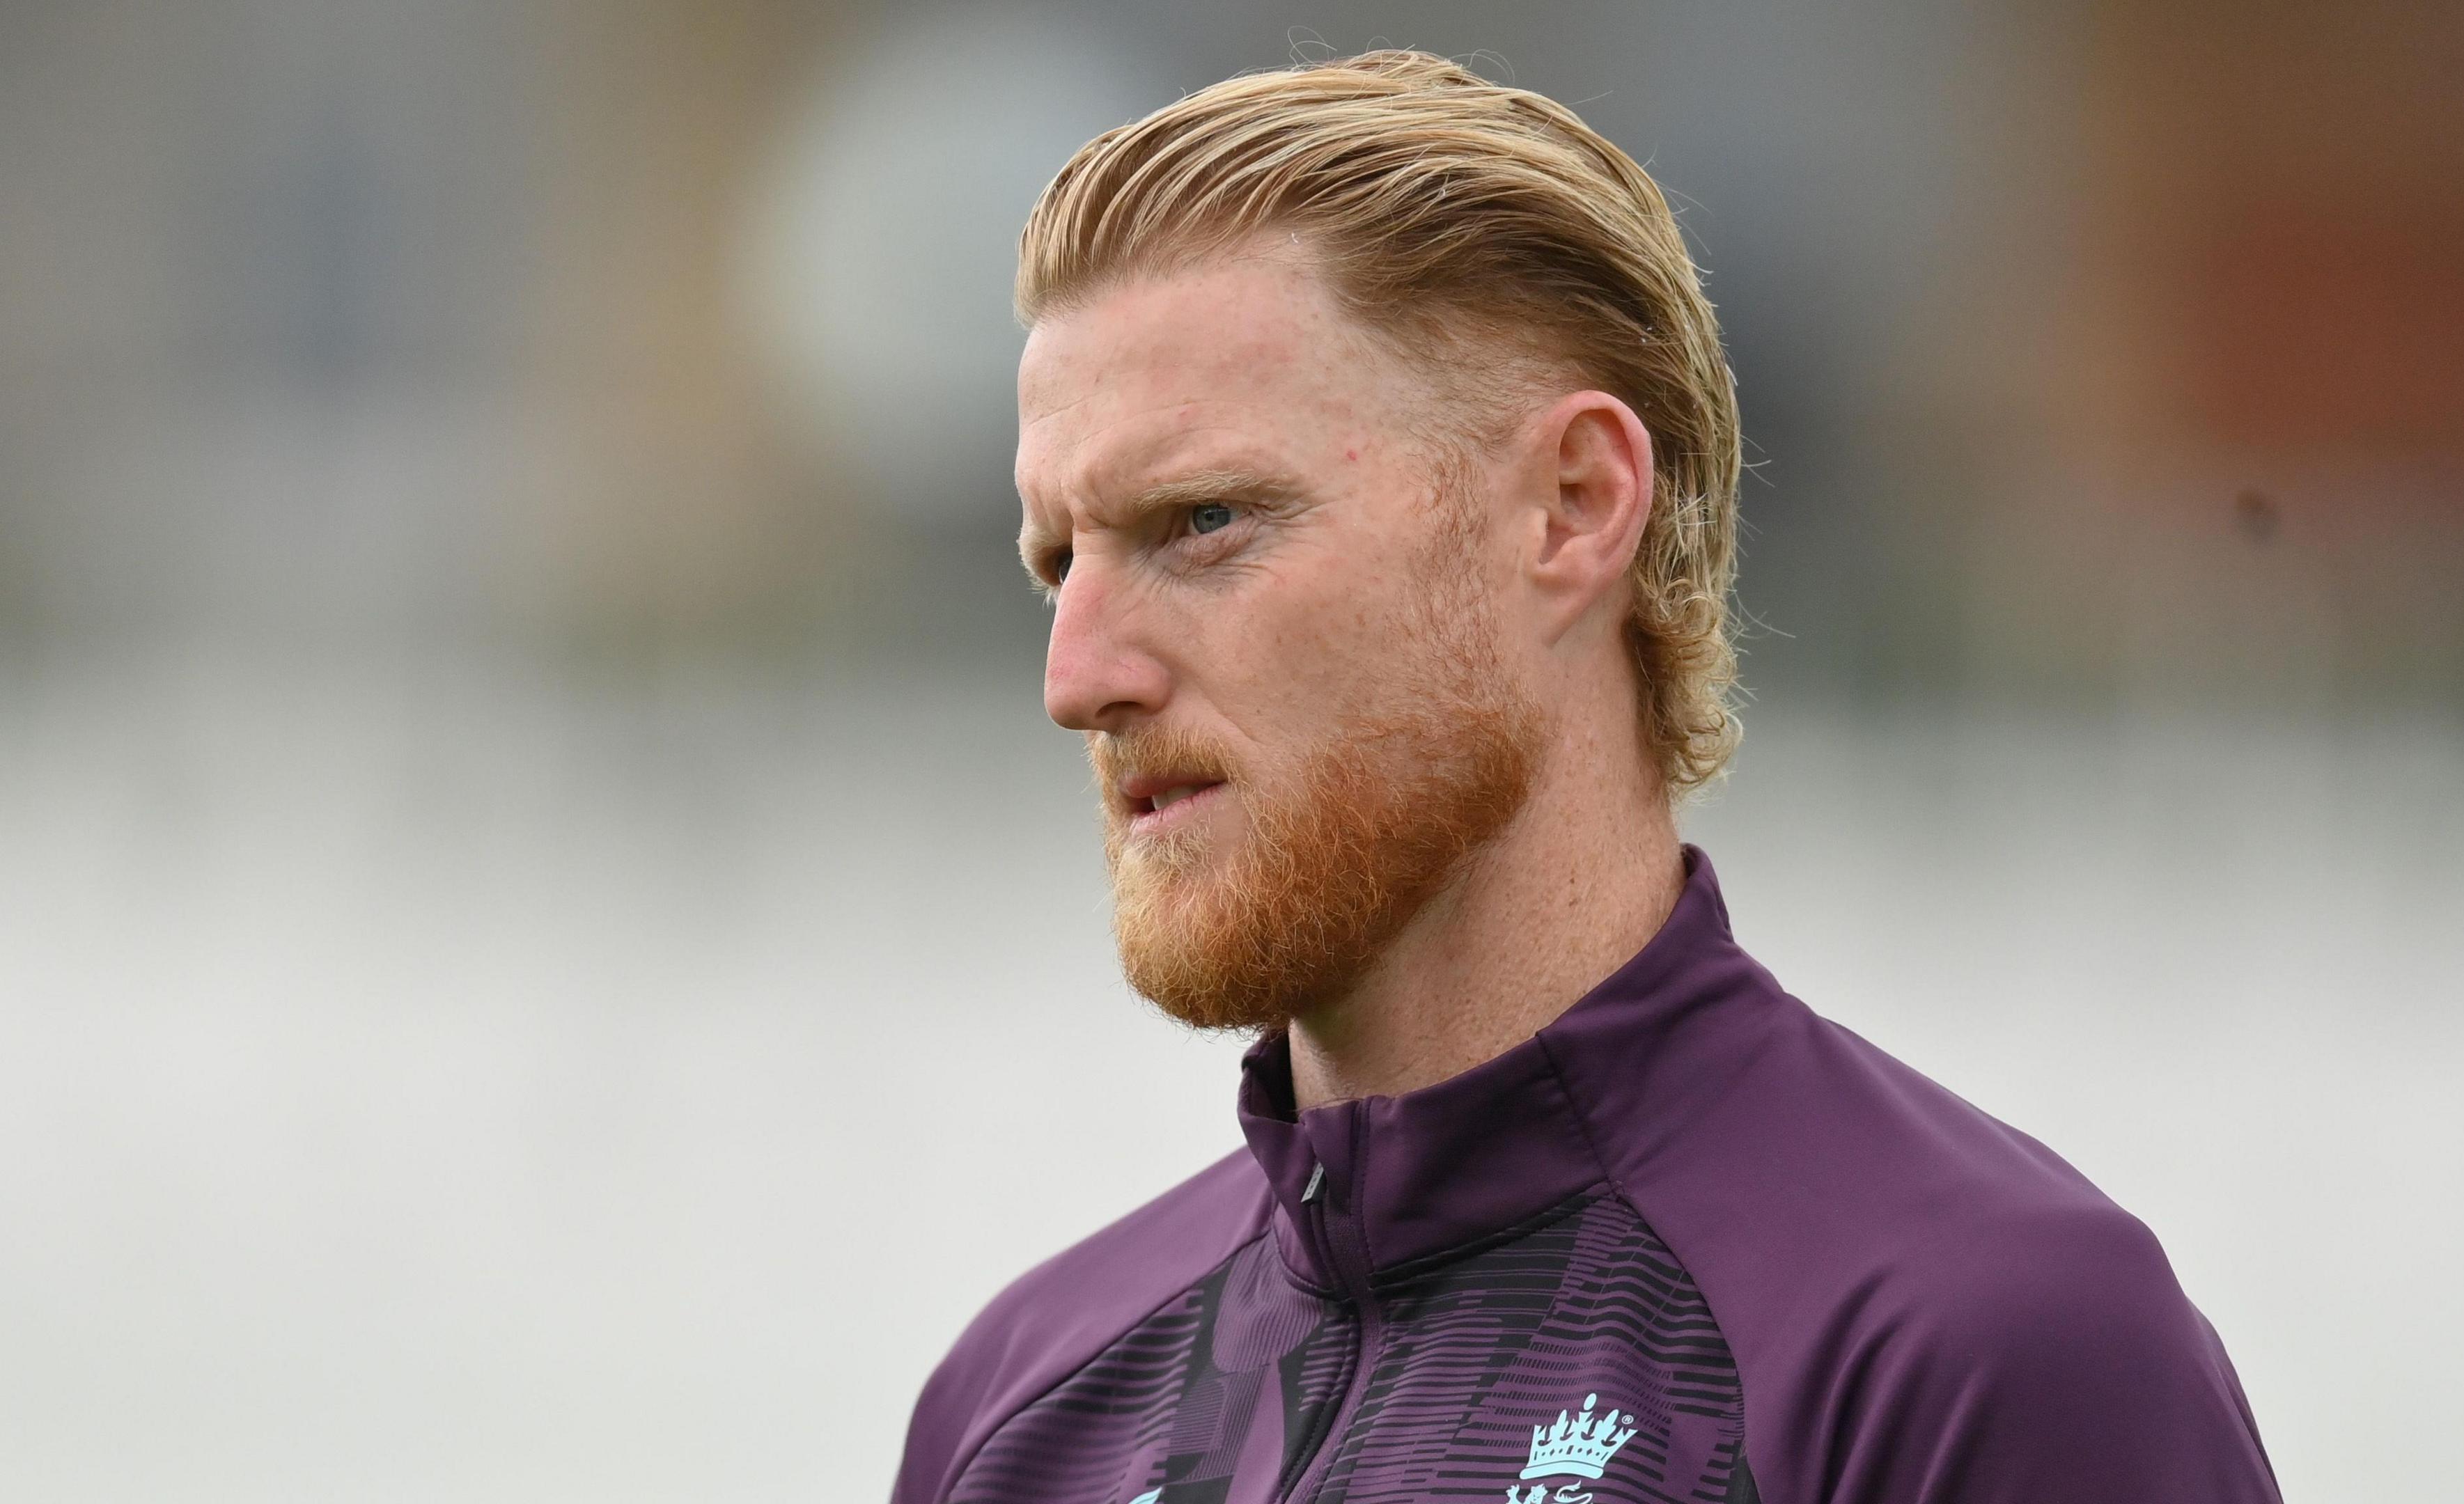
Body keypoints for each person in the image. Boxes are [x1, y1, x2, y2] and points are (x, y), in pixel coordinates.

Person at [891, 51, 2281, 1504]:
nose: (1079, 678)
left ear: (1571, 509)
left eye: (1205, 521)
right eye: (1059, 561)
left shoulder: (1972, 1350)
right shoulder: (1021, 1417)